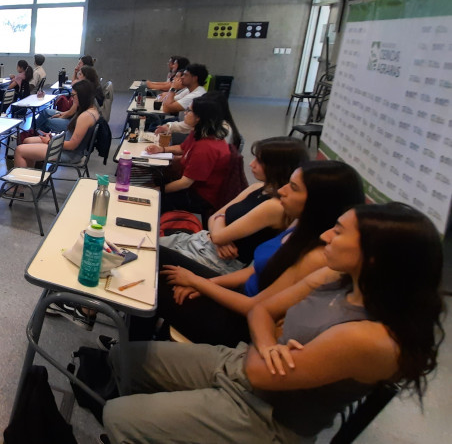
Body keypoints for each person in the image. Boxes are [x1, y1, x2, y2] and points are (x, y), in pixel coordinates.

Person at [103, 202, 444, 444]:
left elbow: (259, 369)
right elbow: (261, 312)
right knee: (120, 359)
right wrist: (270, 343)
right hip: (243, 361)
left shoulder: (372, 338)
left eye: (339, 233)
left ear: (373, 257)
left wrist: (267, 339)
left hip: (267, 417)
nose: (326, 236)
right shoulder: (335, 276)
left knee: (117, 416)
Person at [152, 160, 365, 346]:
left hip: (240, 323)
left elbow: (257, 307)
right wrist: (206, 284)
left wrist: (199, 284)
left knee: (151, 285)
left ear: (319, 201)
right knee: (154, 255)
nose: (282, 190)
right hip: (238, 295)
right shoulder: (299, 225)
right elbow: (251, 272)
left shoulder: (316, 256)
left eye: (293, 188)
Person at [159, 137, 309, 275]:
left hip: (215, 262)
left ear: (278, 167)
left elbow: (217, 229)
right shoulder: (257, 187)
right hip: (203, 242)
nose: (251, 164)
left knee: (152, 254)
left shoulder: (275, 206)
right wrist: (220, 234)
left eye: (259, 161)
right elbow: (214, 218)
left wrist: (219, 230)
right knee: (145, 243)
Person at [148, 94, 233, 214]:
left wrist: (157, 190)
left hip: (201, 196)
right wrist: (161, 149)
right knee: (155, 175)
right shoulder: (199, 132)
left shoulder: (206, 148)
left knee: (154, 197)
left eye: (189, 111)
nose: (185, 113)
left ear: (199, 117)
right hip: (192, 186)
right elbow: (183, 148)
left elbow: (185, 183)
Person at [14, 79, 99, 168]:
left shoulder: (85, 116)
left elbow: (72, 145)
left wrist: (50, 141)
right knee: (28, 141)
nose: (72, 98)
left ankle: (23, 179)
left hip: (69, 154)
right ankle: (31, 175)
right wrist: (53, 137)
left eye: (73, 95)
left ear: (82, 96)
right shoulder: (92, 110)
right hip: (67, 149)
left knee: (19, 150)